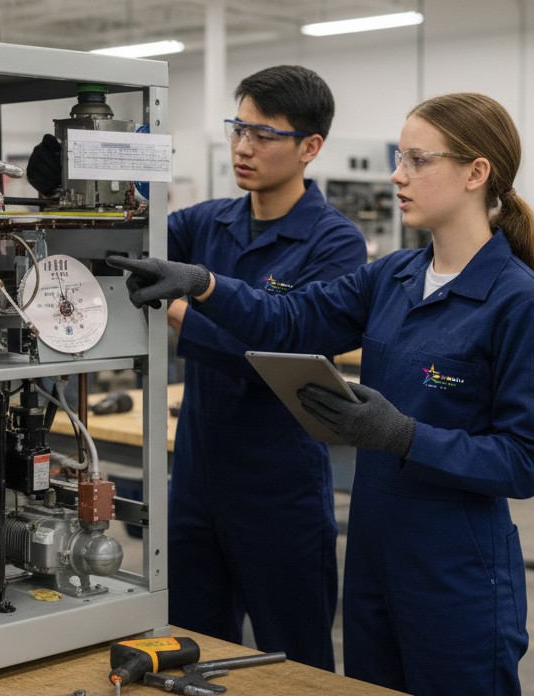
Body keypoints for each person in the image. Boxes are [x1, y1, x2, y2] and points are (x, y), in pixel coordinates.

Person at [110, 92, 534, 695]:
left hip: (455, 570)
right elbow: (291, 319)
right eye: (398, 158)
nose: (396, 175)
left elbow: (528, 460)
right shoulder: (395, 276)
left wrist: (405, 436)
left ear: (475, 173)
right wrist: (206, 284)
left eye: (416, 161)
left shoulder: (522, 304)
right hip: (373, 559)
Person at [166, 66, 365, 669]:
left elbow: (283, 360)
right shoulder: (205, 223)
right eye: (238, 128)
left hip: (279, 488)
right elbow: (125, 244)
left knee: (294, 661)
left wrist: (183, 314)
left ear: (310, 147)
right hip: (196, 479)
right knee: (187, 652)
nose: (244, 147)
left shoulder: (334, 244)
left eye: (264, 134)